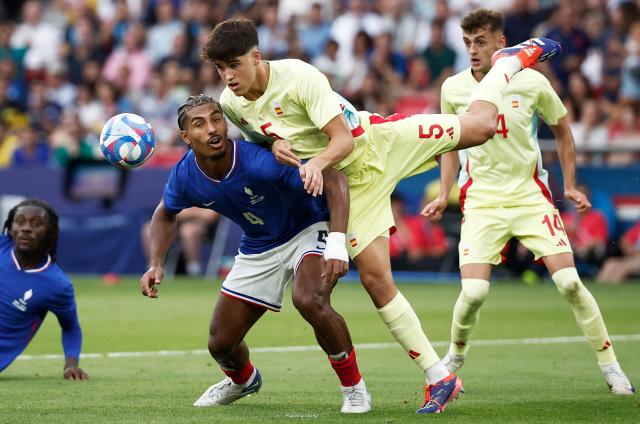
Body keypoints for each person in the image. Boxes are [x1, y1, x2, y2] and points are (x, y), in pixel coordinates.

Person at [201, 17, 561, 413]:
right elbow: (267, 143)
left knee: (481, 127)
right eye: (220, 68)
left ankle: (508, 63)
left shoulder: (299, 76)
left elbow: (339, 139)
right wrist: (277, 149)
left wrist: (313, 164)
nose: (228, 76)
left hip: (379, 142)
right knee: (376, 279)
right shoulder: (232, 105)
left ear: (256, 56)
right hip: (352, 188)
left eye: (234, 64)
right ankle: (440, 377)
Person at [422, 9, 634, 395]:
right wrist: (444, 190)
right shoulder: (452, 88)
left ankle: (611, 367)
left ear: (502, 44)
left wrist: (569, 186)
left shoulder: (533, 81)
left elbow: (563, 131)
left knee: (570, 283)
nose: (473, 50)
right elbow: (450, 144)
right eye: (468, 42)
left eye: (481, 41)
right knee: (473, 294)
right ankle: (453, 359)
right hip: (482, 201)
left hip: (529, 197)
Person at [140, 95, 370, 413]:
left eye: (217, 118)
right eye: (200, 124)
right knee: (220, 343)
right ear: (186, 138)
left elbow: (333, 179)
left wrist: (336, 241)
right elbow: (165, 213)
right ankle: (243, 381)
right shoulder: (185, 176)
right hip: (260, 244)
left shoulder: (257, 161)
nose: (212, 128)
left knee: (309, 300)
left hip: (307, 227)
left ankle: (354, 388)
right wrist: (155, 264)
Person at [0, 199, 88, 380]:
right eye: (20, 221)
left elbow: (71, 327)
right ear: (11, 227)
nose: (26, 228)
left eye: (36, 224)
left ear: (49, 233)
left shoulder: (56, 285)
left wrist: (70, 364)